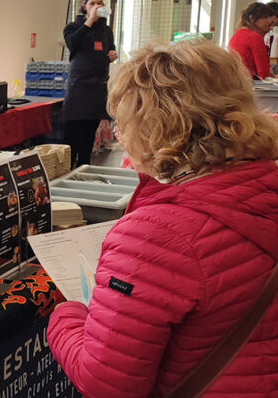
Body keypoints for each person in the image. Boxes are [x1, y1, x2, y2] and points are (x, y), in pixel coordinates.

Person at [47, 40, 278, 397]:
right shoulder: (264, 188)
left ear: (155, 130)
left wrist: (65, 315)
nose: (121, 137)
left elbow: (107, 384)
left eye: (124, 125)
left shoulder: (155, 235)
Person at [63, 0, 118, 169]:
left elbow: (111, 49)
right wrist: (89, 21)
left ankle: (84, 168)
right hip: (78, 88)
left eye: (99, 3)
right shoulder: (73, 27)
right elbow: (72, 44)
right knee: (72, 134)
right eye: (92, 3)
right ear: (84, 6)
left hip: (97, 88)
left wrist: (113, 55)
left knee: (89, 135)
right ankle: (67, 170)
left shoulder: (106, 30)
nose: (97, 6)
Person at [228, 2, 278, 80]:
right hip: (252, 82)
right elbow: (264, 74)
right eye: (265, 17)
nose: (269, 22)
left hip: (238, 80)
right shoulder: (254, 37)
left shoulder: (237, 34)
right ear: (252, 18)